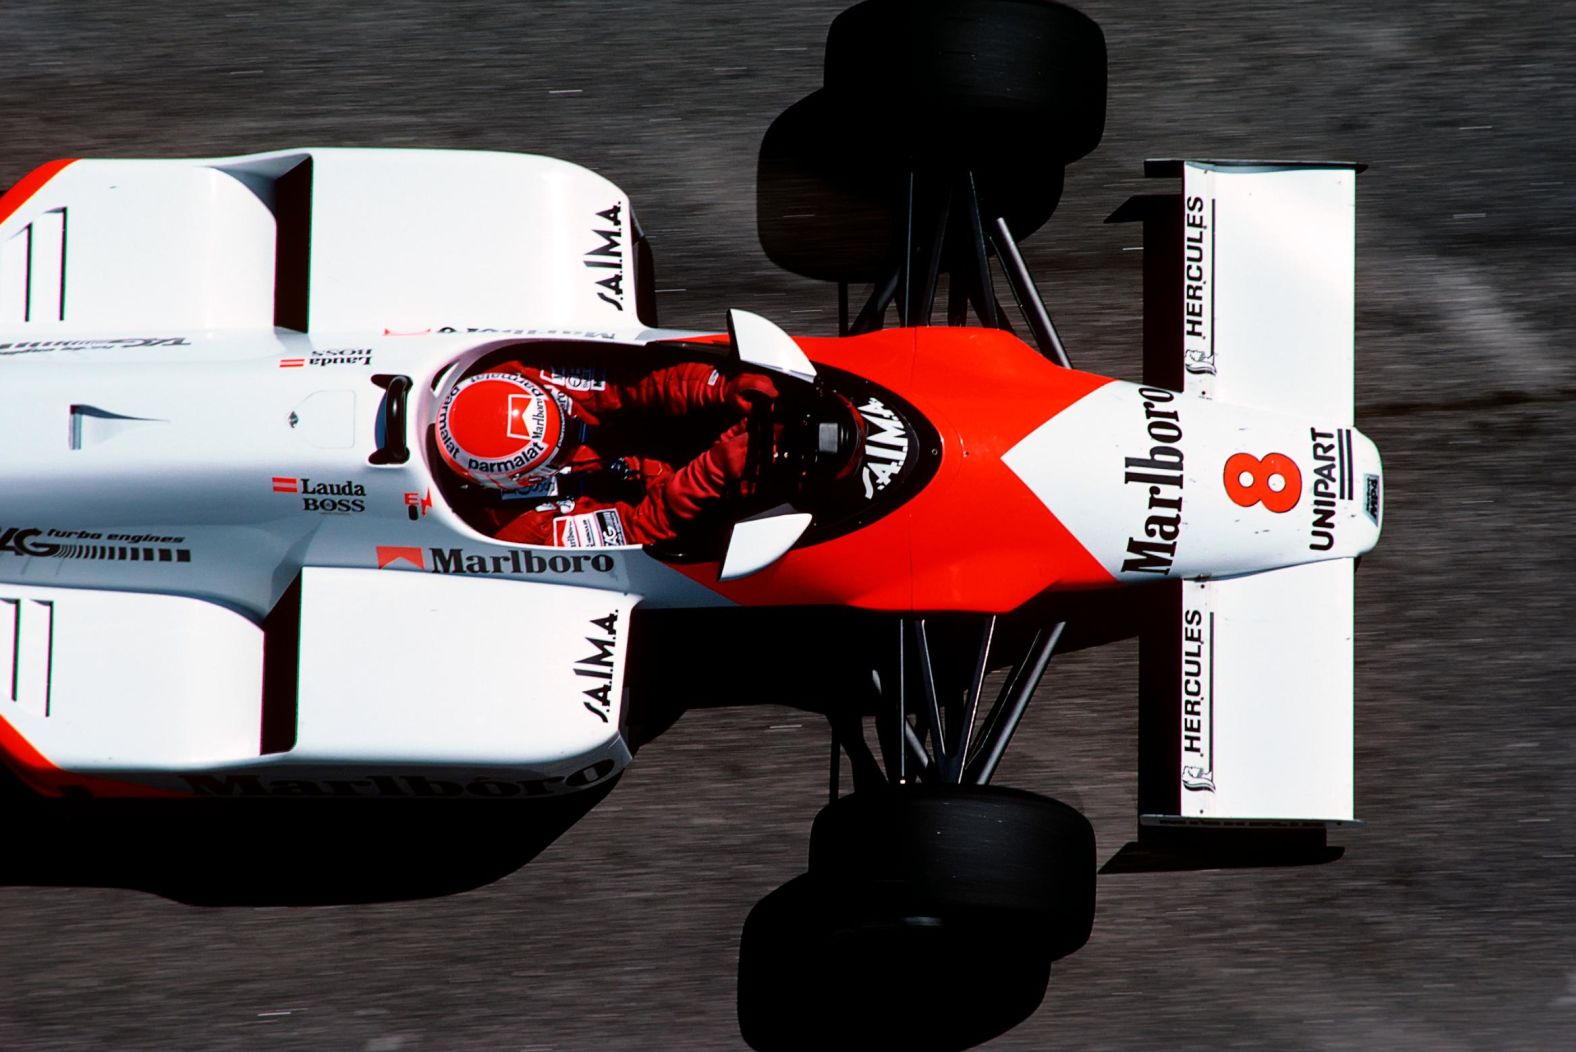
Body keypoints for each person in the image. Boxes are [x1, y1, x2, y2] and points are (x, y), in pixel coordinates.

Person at [434, 352, 779, 547]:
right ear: (515, 482)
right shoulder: (525, 531)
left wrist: (717, 387)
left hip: (640, 450)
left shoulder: (521, 378)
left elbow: (624, 384)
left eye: (564, 422)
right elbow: (636, 530)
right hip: (647, 492)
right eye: (561, 449)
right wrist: (711, 473)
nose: (575, 436)